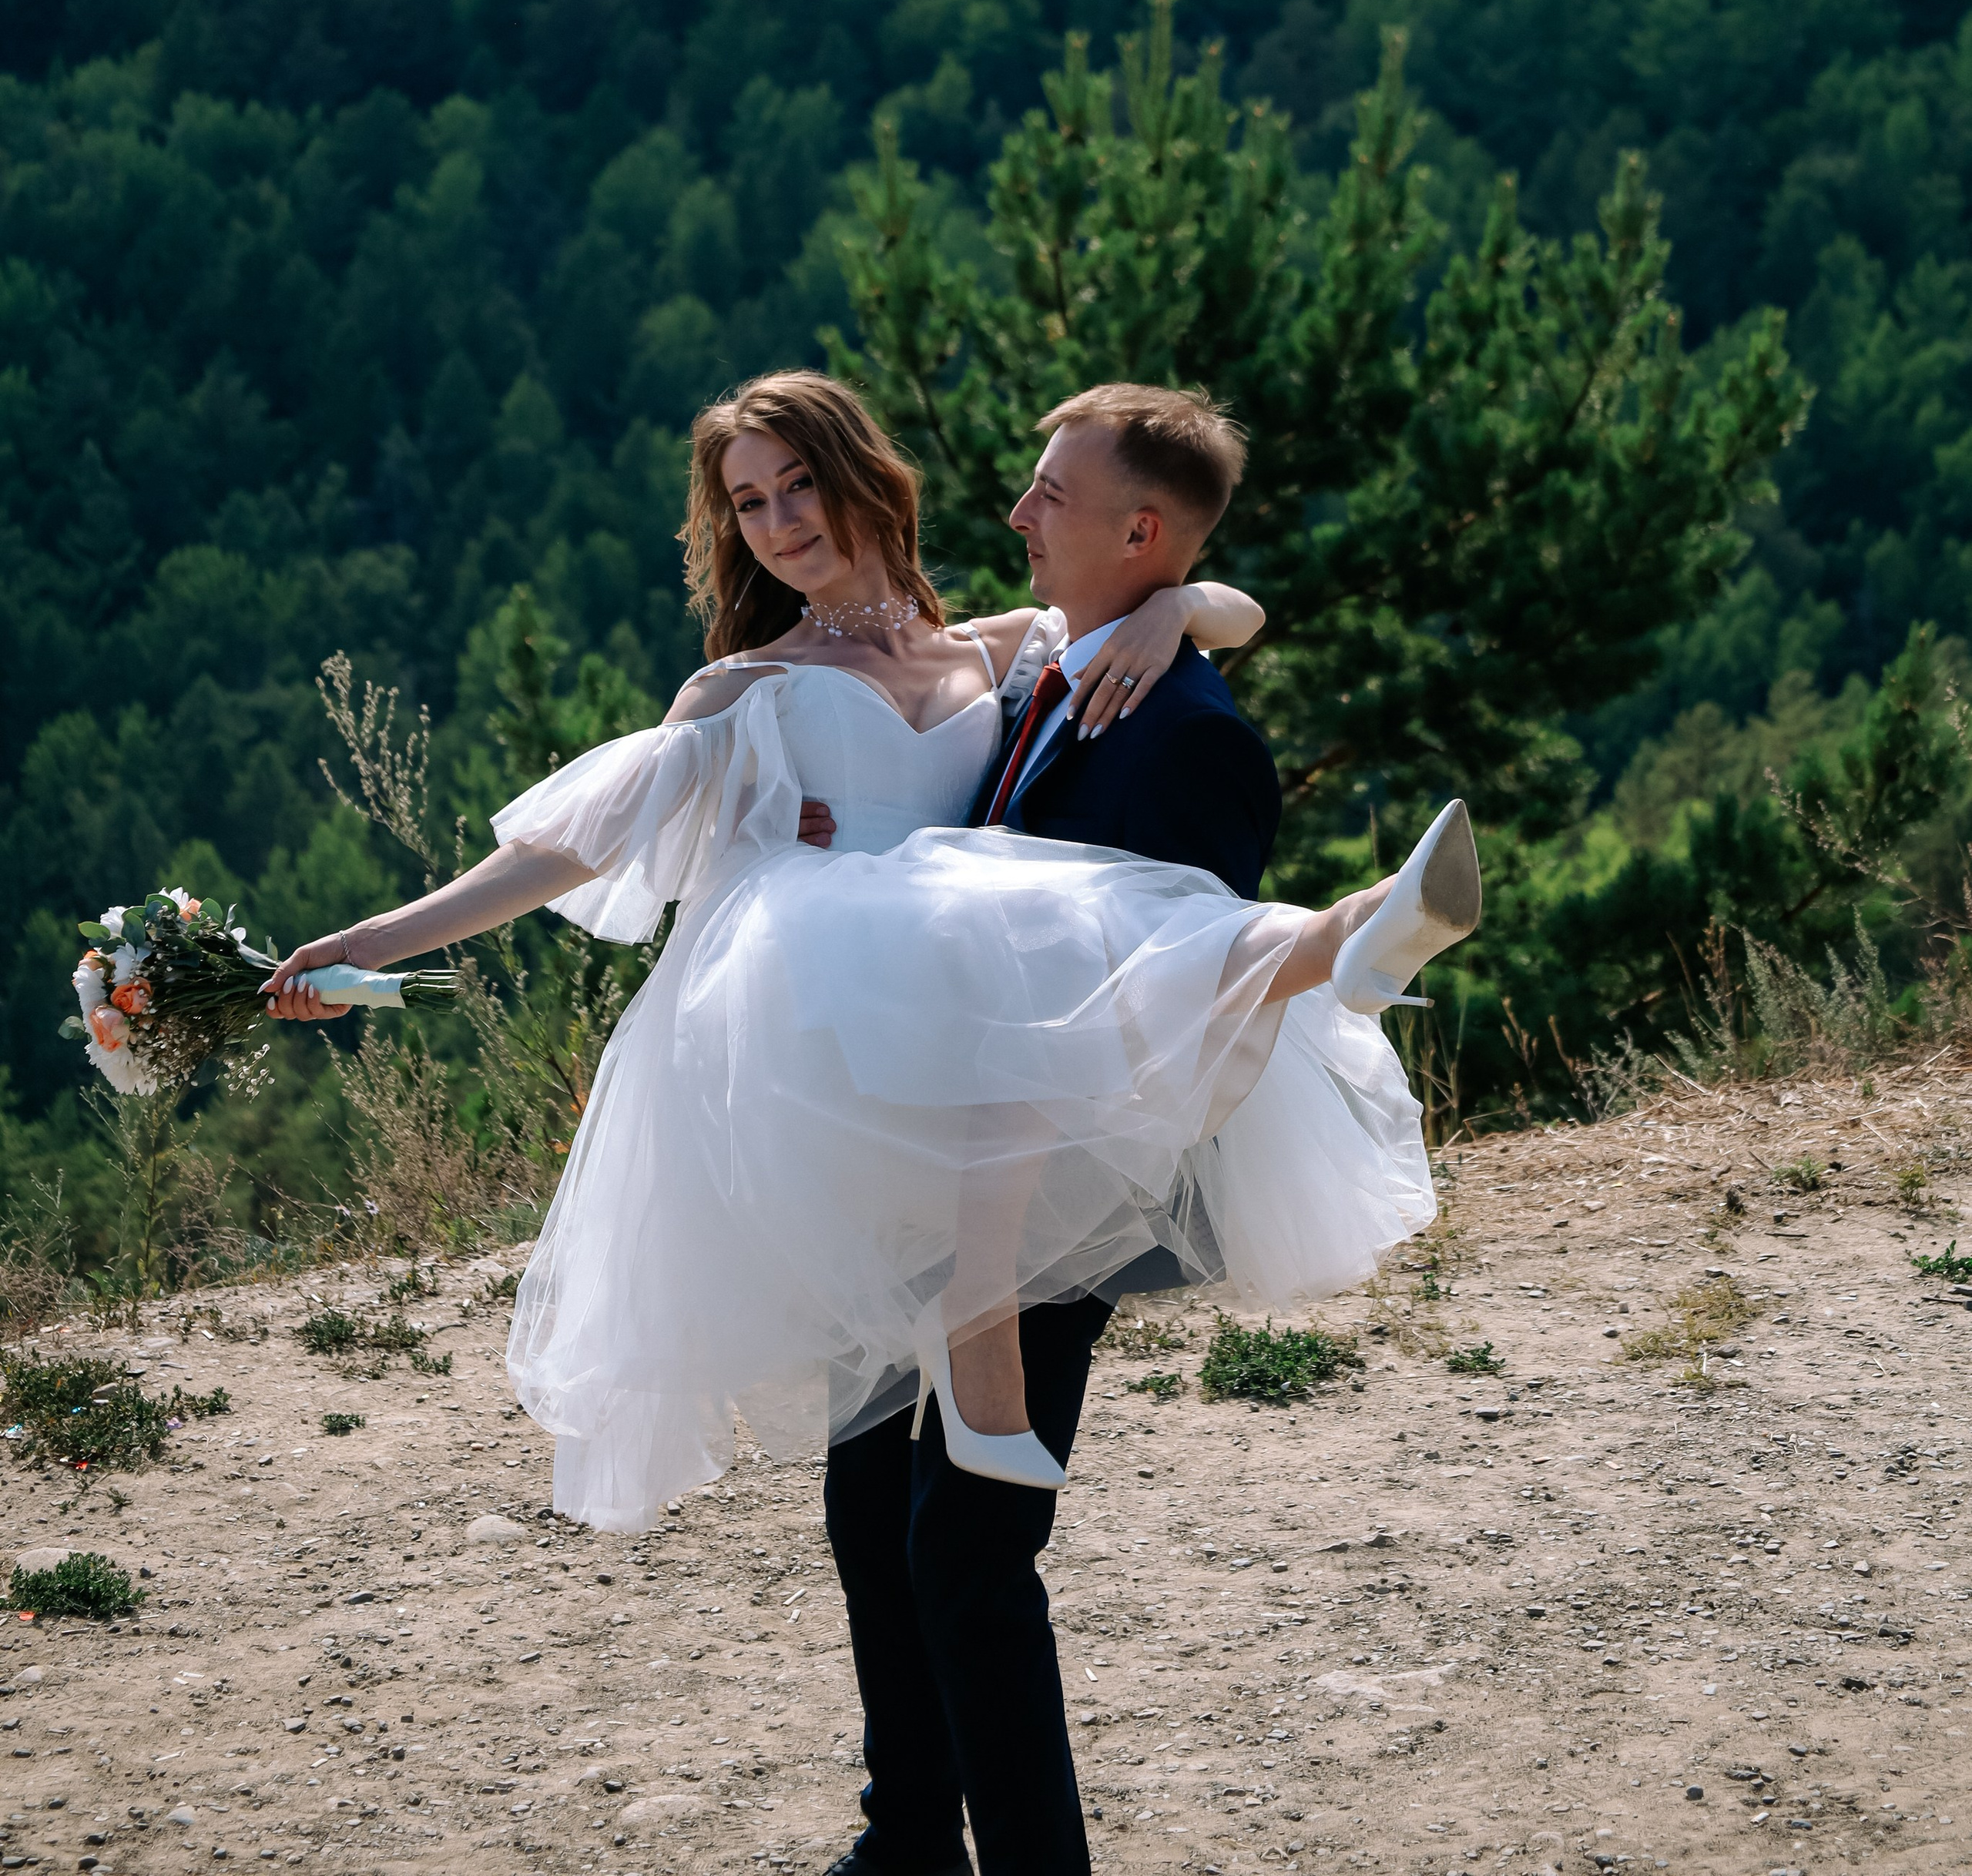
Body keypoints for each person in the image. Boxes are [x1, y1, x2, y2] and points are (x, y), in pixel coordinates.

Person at [262, 370, 1479, 1876]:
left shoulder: (997, 648)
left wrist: (1176, 611)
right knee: (865, 1500)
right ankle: (908, 1833)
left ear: (864, 481)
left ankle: (1337, 950)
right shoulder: (745, 690)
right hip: (844, 1106)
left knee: (931, 1515)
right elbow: (565, 846)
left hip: (993, 1092)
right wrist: (374, 938)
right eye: (746, 506)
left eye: (794, 489)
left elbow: (1195, 595)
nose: (775, 528)